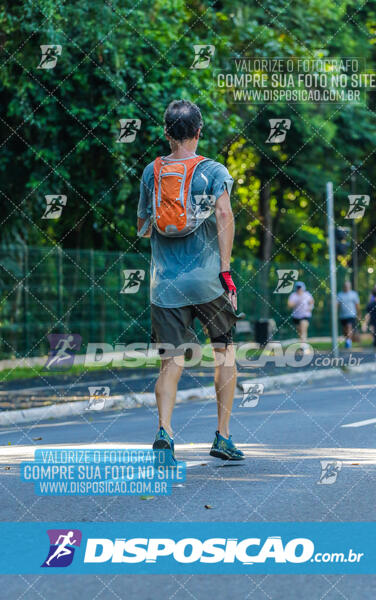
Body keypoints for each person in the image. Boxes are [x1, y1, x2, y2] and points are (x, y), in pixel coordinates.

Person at [137, 99, 244, 462]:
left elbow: (142, 227)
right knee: (224, 352)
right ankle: (223, 436)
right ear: (199, 132)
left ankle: (165, 431)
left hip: (164, 284)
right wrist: (225, 270)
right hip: (209, 281)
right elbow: (225, 213)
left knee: (171, 361)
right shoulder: (214, 171)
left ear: (167, 134)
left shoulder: (151, 173)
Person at [337, 281, 360, 348]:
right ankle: (347, 340)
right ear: (343, 287)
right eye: (345, 286)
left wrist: (359, 314)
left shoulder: (353, 294)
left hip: (351, 315)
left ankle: (348, 342)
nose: (346, 287)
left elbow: (357, 305)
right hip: (342, 315)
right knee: (345, 330)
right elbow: (337, 305)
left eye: (348, 286)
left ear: (350, 286)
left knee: (349, 326)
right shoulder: (340, 294)